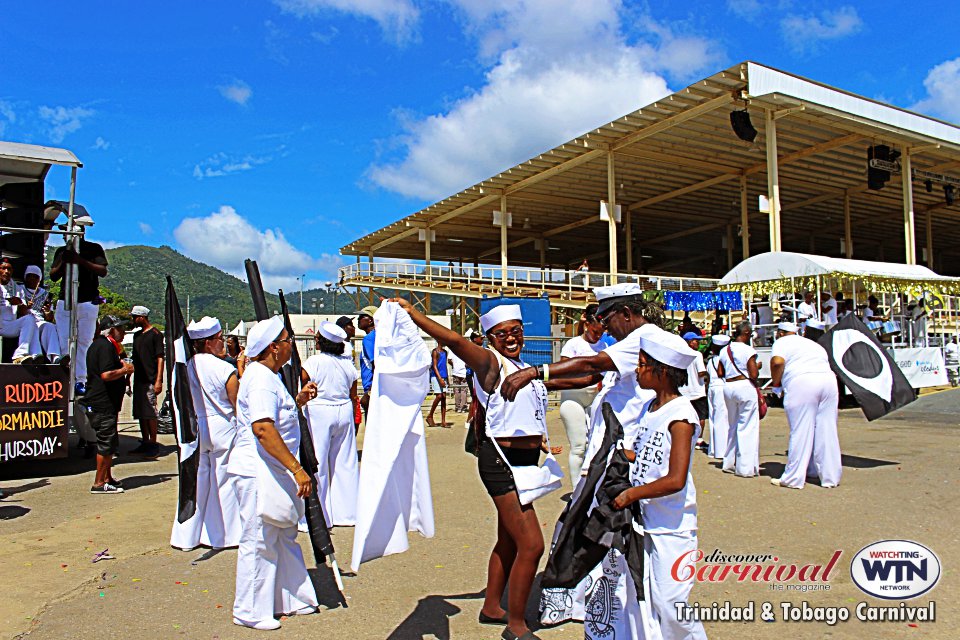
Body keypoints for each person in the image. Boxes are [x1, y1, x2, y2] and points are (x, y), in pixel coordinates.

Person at [393, 300, 559, 640]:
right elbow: (454, 341)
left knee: (510, 540)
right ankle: (515, 626)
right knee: (532, 544)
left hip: (525, 462)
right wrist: (413, 314)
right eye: (502, 334)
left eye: (516, 331)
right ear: (489, 338)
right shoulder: (490, 362)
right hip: (502, 464)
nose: (510, 338)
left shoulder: (524, 364)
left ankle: (492, 606)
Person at [603, 330, 708, 640]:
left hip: (672, 526)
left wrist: (631, 493)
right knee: (647, 597)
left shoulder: (681, 416)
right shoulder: (650, 408)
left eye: (642, 364)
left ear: (661, 371)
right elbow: (644, 452)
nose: (637, 370)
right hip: (646, 522)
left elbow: (675, 479)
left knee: (673, 603)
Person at [226, 316, 319, 631]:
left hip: (272, 467)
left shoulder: (268, 376)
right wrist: (297, 469)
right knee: (260, 538)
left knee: (282, 532)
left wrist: (299, 401)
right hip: (258, 470)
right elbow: (263, 428)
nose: (290, 344)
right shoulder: (262, 378)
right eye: (286, 340)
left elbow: (275, 415)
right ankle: (250, 609)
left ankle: (292, 598)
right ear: (273, 348)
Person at [170, 317, 242, 550]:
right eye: (220, 339)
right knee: (224, 483)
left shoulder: (184, 367)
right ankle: (223, 536)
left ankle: (189, 535)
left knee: (196, 484)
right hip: (223, 427)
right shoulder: (224, 369)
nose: (223, 343)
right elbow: (237, 403)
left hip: (196, 428)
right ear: (209, 342)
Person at [769, 321, 842, 489]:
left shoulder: (781, 342)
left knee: (801, 430)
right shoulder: (813, 345)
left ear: (780, 333)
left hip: (802, 381)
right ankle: (829, 477)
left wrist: (776, 383)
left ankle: (793, 478)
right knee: (827, 429)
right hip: (828, 381)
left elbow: (777, 362)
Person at [300, 321, 360, 527]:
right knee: (345, 463)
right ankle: (347, 513)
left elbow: (303, 382)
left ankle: (321, 516)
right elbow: (353, 393)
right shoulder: (348, 364)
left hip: (320, 411)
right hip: (344, 409)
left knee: (318, 463)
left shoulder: (314, 362)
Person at [51, 236, 108, 394]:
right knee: (63, 339)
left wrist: (79, 260)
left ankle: (81, 379)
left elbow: (102, 271)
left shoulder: (94, 248)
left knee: (84, 341)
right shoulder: (62, 251)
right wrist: (65, 260)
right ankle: (64, 377)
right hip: (65, 300)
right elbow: (53, 276)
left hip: (87, 301)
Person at [85, 315, 134, 494]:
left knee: (111, 440)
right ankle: (99, 482)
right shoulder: (104, 346)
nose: (123, 332)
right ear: (110, 330)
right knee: (106, 442)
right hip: (103, 401)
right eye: (119, 328)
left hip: (107, 401)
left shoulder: (103, 345)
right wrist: (125, 370)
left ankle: (107, 476)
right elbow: (106, 374)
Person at [558, 303, 605, 483]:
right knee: (579, 446)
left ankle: (593, 485)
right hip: (573, 398)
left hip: (596, 397)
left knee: (597, 444)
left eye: (601, 332)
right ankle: (577, 489)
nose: (597, 336)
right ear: (587, 325)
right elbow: (563, 371)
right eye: (595, 331)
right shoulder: (573, 345)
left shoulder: (605, 346)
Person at [717, 321, 761, 477]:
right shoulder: (748, 350)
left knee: (733, 425)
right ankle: (745, 468)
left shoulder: (724, 350)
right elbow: (754, 374)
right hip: (744, 385)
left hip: (728, 387)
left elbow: (720, 372)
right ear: (747, 333)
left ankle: (729, 462)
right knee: (747, 426)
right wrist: (758, 366)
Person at [130, 306, 164, 457]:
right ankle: (145, 441)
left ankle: (153, 443)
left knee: (150, 412)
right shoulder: (136, 336)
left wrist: (159, 380)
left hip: (150, 379)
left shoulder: (155, 334)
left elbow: (160, 358)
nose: (133, 320)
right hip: (138, 379)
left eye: (134, 317)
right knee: (140, 413)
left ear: (141, 317)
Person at [0, 259, 43, 364]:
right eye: (3, 268)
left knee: (30, 319)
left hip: (9, 326)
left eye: (9, 269)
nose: (6, 271)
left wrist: (20, 304)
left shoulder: (17, 289)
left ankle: (25, 355)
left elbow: (23, 313)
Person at [20, 265, 63, 362]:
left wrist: (48, 312)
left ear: (39, 279)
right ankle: (34, 355)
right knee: (30, 323)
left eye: (35, 277)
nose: (32, 279)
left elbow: (49, 318)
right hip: (24, 321)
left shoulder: (45, 294)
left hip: (39, 321)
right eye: (29, 276)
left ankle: (54, 357)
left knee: (49, 326)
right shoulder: (20, 289)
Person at [679, 332, 708, 450]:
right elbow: (701, 372)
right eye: (696, 341)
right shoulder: (697, 355)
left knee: (686, 417)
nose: (698, 343)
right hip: (697, 391)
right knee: (700, 416)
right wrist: (707, 373)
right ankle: (698, 439)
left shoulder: (681, 355)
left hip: (684, 391)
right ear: (690, 342)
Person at [705, 335, 730, 459]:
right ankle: (721, 451)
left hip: (712, 388)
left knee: (713, 418)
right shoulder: (723, 359)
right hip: (721, 387)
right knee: (722, 418)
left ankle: (713, 449)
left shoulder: (710, 361)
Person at [357, 305, 379, 415]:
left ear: (370, 320)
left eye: (362, 316)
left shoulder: (369, 339)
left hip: (372, 387)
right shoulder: (380, 335)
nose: (358, 319)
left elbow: (376, 364)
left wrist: (370, 391)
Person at [427, 343, 449, 428]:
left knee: (444, 397)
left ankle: (443, 421)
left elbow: (445, 365)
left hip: (444, 376)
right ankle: (430, 415)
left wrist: (447, 377)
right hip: (436, 376)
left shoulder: (445, 352)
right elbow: (435, 366)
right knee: (439, 396)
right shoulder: (435, 352)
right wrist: (439, 378)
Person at [447, 345, 469, 413]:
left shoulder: (452, 349)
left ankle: (458, 407)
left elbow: (449, 360)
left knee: (456, 391)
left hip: (455, 372)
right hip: (463, 373)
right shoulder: (465, 349)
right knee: (463, 391)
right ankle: (463, 407)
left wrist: (455, 366)